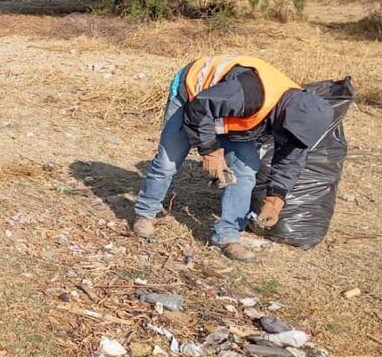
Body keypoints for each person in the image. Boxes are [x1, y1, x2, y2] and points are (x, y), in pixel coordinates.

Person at [133, 54, 333, 261]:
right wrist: (210, 151)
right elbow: (199, 109)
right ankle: (146, 212)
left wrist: (275, 201)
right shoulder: (252, 94)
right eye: (288, 134)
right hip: (194, 94)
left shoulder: (298, 122)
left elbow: (291, 161)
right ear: (284, 117)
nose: (288, 140)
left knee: (246, 171)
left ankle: (227, 235)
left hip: (230, 112)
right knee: (168, 161)